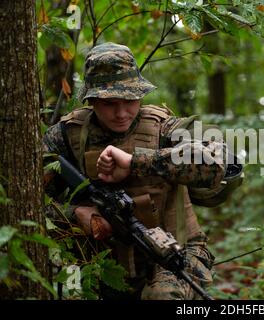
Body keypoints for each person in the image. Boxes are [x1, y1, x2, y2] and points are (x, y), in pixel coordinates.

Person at [43, 42, 242, 300]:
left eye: (130, 100)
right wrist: (75, 213)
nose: (122, 113)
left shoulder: (165, 128)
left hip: (174, 254)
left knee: (162, 296)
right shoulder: (67, 135)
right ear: (91, 100)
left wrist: (137, 161)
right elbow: (25, 200)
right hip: (96, 258)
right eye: (110, 103)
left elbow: (223, 162)